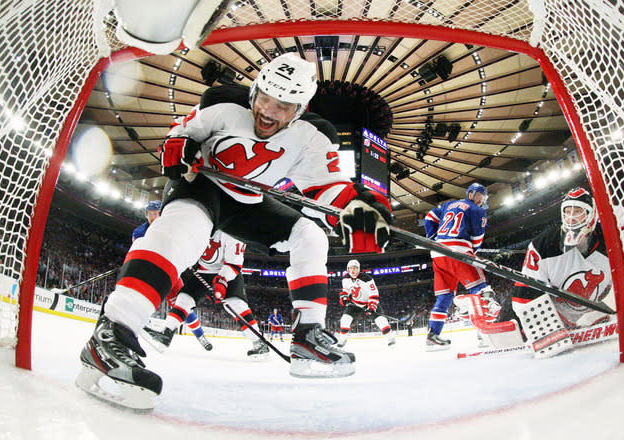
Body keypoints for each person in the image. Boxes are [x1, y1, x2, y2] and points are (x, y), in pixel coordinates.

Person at [76, 53, 392, 408]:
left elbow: (329, 186)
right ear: (255, 90)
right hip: (202, 184)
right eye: (265, 98)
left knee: (311, 232)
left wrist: (357, 210)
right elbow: (180, 135)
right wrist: (180, 149)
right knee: (183, 231)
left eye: (284, 105)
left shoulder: (313, 136)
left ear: (301, 109)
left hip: (248, 201)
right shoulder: (222, 102)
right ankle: (112, 333)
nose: (269, 111)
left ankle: (308, 336)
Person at [493, 187, 614, 357]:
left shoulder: (611, 240)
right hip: (549, 310)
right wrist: (539, 327)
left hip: (583, 310)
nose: (571, 217)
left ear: (591, 214)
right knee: (506, 331)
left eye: (578, 211)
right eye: (567, 211)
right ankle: (496, 321)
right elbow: (524, 294)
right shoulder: (543, 245)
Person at [141, 230, 270, 359]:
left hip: (227, 272)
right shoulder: (200, 224)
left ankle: (259, 342)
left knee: (236, 305)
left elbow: (234, 263)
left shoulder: (232, 231)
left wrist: (222, 281)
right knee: (184, 299)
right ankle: (166, 333)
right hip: (203, 272)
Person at [422, 182, 499, 351]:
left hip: (437, 252)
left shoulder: (449, 204)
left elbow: (429, 217)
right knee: (481, 289)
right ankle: (484, 334)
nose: (480, 200)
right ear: (470, 194)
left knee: (444, 297)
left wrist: (434, 236)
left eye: (482, 197)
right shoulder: (478, 211)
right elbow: (477, 239)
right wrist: (472, 251)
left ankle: (432, 337)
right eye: (478, 196)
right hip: (458, 251)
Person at [132, 199, 212, 350]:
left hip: (170, 273)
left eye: (156, 213)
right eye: (150, 214)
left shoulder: (172, 228)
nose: (153, 217)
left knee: (181, 307)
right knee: (139, 298)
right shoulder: (139, 233)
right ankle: (136, 328)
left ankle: (200, 335)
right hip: (149, 273)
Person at [337, 259, 396, 347]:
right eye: (350, 268)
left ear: (359, 269)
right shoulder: (345, 278)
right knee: (345, 319)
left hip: (369, 303)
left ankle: (390, 338)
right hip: (355, 304)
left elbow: (374, 294)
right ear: (348, 269)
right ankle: (343, 338)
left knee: (381, 320)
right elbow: (345, 290)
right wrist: (344, 297)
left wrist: (371, 307)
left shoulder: (367, 279)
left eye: (355, 268)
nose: (352, 270)